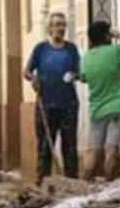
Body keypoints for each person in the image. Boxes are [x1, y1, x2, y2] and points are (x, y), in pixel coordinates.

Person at [23, 12, 80, 181]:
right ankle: (43, 182)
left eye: (63, 25)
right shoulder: (41, 49)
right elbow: (26, 71)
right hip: (45, 105)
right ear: (49, 28)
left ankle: (72, 182)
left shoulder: (71, 49)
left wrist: (74, 75)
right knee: (44, 147)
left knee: (70, 146)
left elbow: (79, 72)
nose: (60, 28)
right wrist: (33, 79)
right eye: (56, 25)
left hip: (68, 105)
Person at [81, 21, 120, 180]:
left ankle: (84, 184)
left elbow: (83, 78)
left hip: (97, 109)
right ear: (107, 36)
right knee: (111, 149)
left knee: (93, 150)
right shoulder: (115, 51)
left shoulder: (86, 58)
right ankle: (108, 183)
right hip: (118, 107)